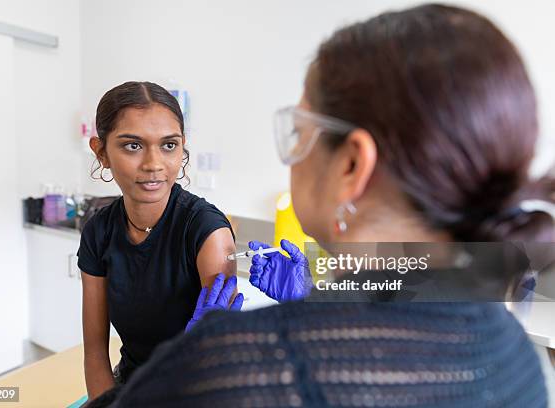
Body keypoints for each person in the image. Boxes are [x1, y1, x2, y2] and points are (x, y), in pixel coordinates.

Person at [114, 4, 551, 407]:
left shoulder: (242, 366)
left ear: (352, 165)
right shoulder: (515, 354)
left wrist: (190, 360)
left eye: (300, 132)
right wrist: (319, 295)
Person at [77, 81, 242, 402]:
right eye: (133, 146)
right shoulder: (99, 232)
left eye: (168, 145)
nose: (154, 164)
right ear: (101, 152)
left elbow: (226, 366)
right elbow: (95, 352)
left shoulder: (207, 232)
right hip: (131, 387)